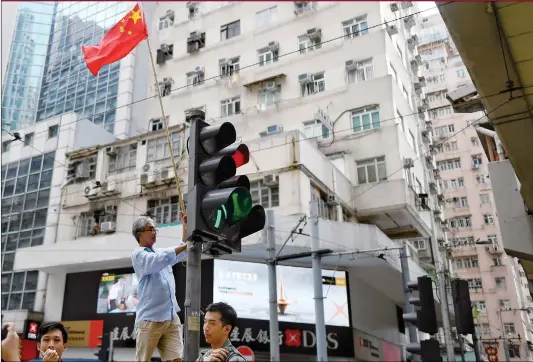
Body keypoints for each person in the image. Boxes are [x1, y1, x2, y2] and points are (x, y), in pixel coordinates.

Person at [132, 212, 188, 362]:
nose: (155, 232)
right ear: (140, 234)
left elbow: (181, 250)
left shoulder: (160, 252)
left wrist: (186, 226)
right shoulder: (139, 255)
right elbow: (159, 259)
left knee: (177, 359)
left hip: (170, 317)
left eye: (155, 230)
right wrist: (185, 246)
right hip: (150, 319)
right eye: (151, 229)